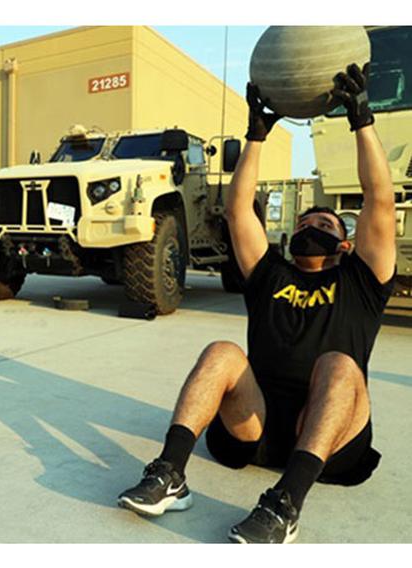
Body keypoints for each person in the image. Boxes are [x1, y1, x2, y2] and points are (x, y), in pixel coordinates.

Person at [117, 64, 396, 544]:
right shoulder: (271, 273)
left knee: (339, 365)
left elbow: (380, 199)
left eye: (326, 224)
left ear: (345, 244)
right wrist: (256, 135)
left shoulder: (362, 280)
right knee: (222, 350)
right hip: (256, 427)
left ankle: (285, 503)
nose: (313, 225)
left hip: (330, 439)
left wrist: (362, 120)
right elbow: (237, 208)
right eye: (306, 221)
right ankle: (169, 472)